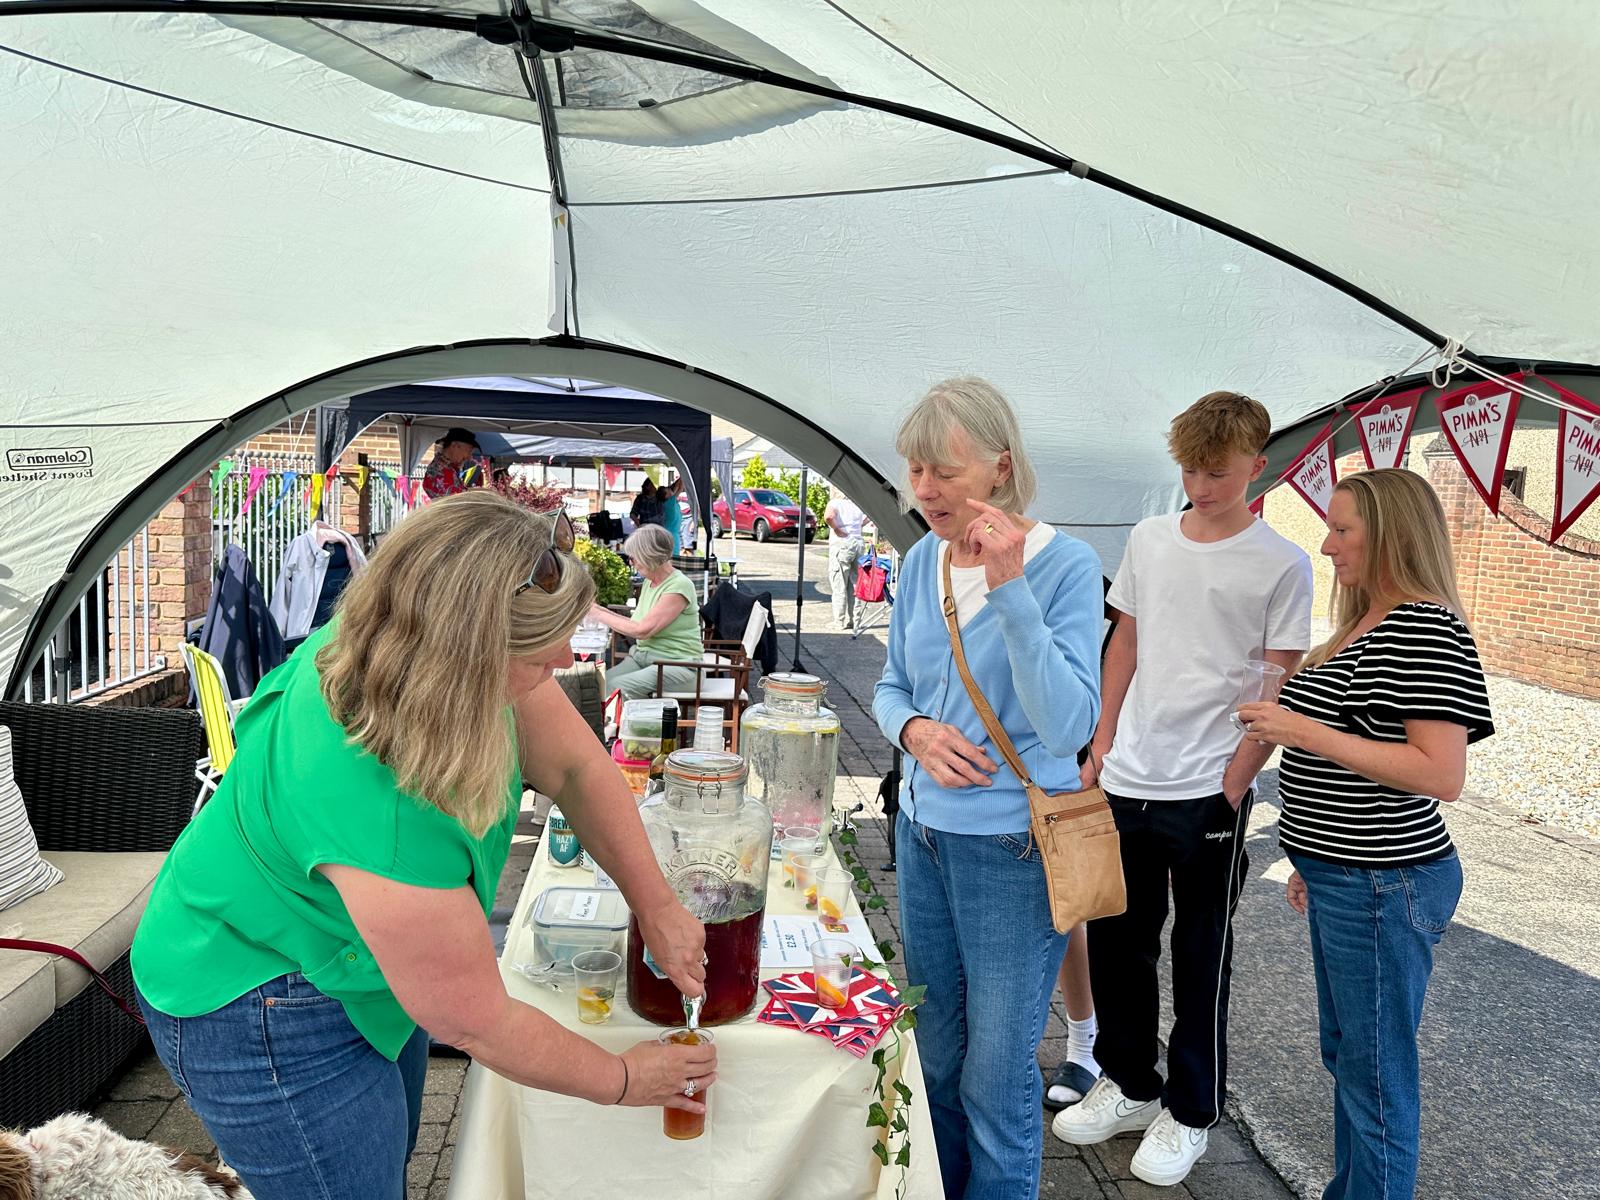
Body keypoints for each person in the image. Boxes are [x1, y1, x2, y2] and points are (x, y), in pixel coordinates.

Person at [130, 492, 714, 1200]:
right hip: (255, 995)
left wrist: (654, 903)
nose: (565, 657)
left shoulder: (417, 635)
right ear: (468, 656)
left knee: (386, 1161)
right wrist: (625, 1079)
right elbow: (476, 1021)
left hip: (355, 961)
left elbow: (576, 767)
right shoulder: (377, 802)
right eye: (540, 651)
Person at [1054, 391, 1313, 1188]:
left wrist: (1237, 783)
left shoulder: (1283, 562)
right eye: (1191, 470)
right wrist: (1100, 742)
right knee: (1120, 943)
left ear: (1256, 468)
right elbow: (1125, 638)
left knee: (1202, 956)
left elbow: (1282, 674)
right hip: (1130, 773)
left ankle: (1192, 1113)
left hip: (1209, 787)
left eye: (1218, 473)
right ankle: (1131, 1084)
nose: (1201, 485)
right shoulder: (1150, 538)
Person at [873, 377, 1102, 1200]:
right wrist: (913, 732)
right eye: (914, 471)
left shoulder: (1064, 565)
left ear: (1001, 467)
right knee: (935, 1055)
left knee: (996, 1077)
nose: (924, 489)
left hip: (1012, 846)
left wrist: (1010, 589)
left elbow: (1070, 721)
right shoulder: (918, 559)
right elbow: (893, 685)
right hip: (922, 833)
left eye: (942, 469)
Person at [1238, 468, 1492, 1200]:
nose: (1327, 545)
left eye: (1343, 530)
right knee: (1352, 1058)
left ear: (1391, 535)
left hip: (1385, 882)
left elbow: (1439, 773)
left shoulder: (1425, 626)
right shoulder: (1365, 619)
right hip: (1348, 874)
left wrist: (1298, 728)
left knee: (1375, 1077)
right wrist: (1312, 859)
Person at [590, 523, 704, 701]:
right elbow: (636, 624)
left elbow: (642, 630)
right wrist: (595, 609)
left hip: (679, 667)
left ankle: (623, 728)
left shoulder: (678, 586)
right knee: (597, 684)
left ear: (648, 556)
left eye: (633, 558)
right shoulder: (650, 582)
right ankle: (601, 727)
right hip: (645, 659)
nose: (631, 562)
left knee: (616, 689)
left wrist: (597, 614)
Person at [824, 485, 867, 631]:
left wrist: (836, 528)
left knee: (839, 583)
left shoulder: (835, 503)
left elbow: (829, 516)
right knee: (855, 583)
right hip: (858, 543)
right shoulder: (857, 504)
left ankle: (839, 620)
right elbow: (867, 518)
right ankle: (855, 620)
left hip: (842, 544)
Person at [422, 427, 488, 498]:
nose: (469, 457)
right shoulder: (441, 471)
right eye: (469, 451)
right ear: (454, 446)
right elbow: (459, 502)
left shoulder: (447, 468)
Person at [658, 477, 684, 556]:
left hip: (670, 532)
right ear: (666, 496)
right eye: (668, 490)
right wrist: (683, 475)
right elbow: (680, 488)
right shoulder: (670, 503)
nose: (670, 490)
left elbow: (676, 487)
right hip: (671, 534)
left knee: (670, 555)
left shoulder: (670, 502)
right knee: (673, 556)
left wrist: (680, 477)